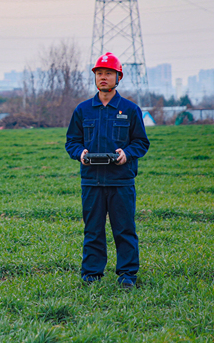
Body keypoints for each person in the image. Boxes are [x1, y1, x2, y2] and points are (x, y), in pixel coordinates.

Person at [65, 52, 150, 289]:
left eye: (109, 73)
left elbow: (141, 142)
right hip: (91, 181)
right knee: (92, 230)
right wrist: (80, 153)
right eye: (99, 73)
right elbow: (71, 141)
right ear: (95, 77)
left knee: (124, 229)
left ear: (118, 77)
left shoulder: (130, 110)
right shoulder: (83, 110)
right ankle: (91, 275)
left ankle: (127, 276)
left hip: (121, 181)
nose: (103, 78)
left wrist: (127, 154)